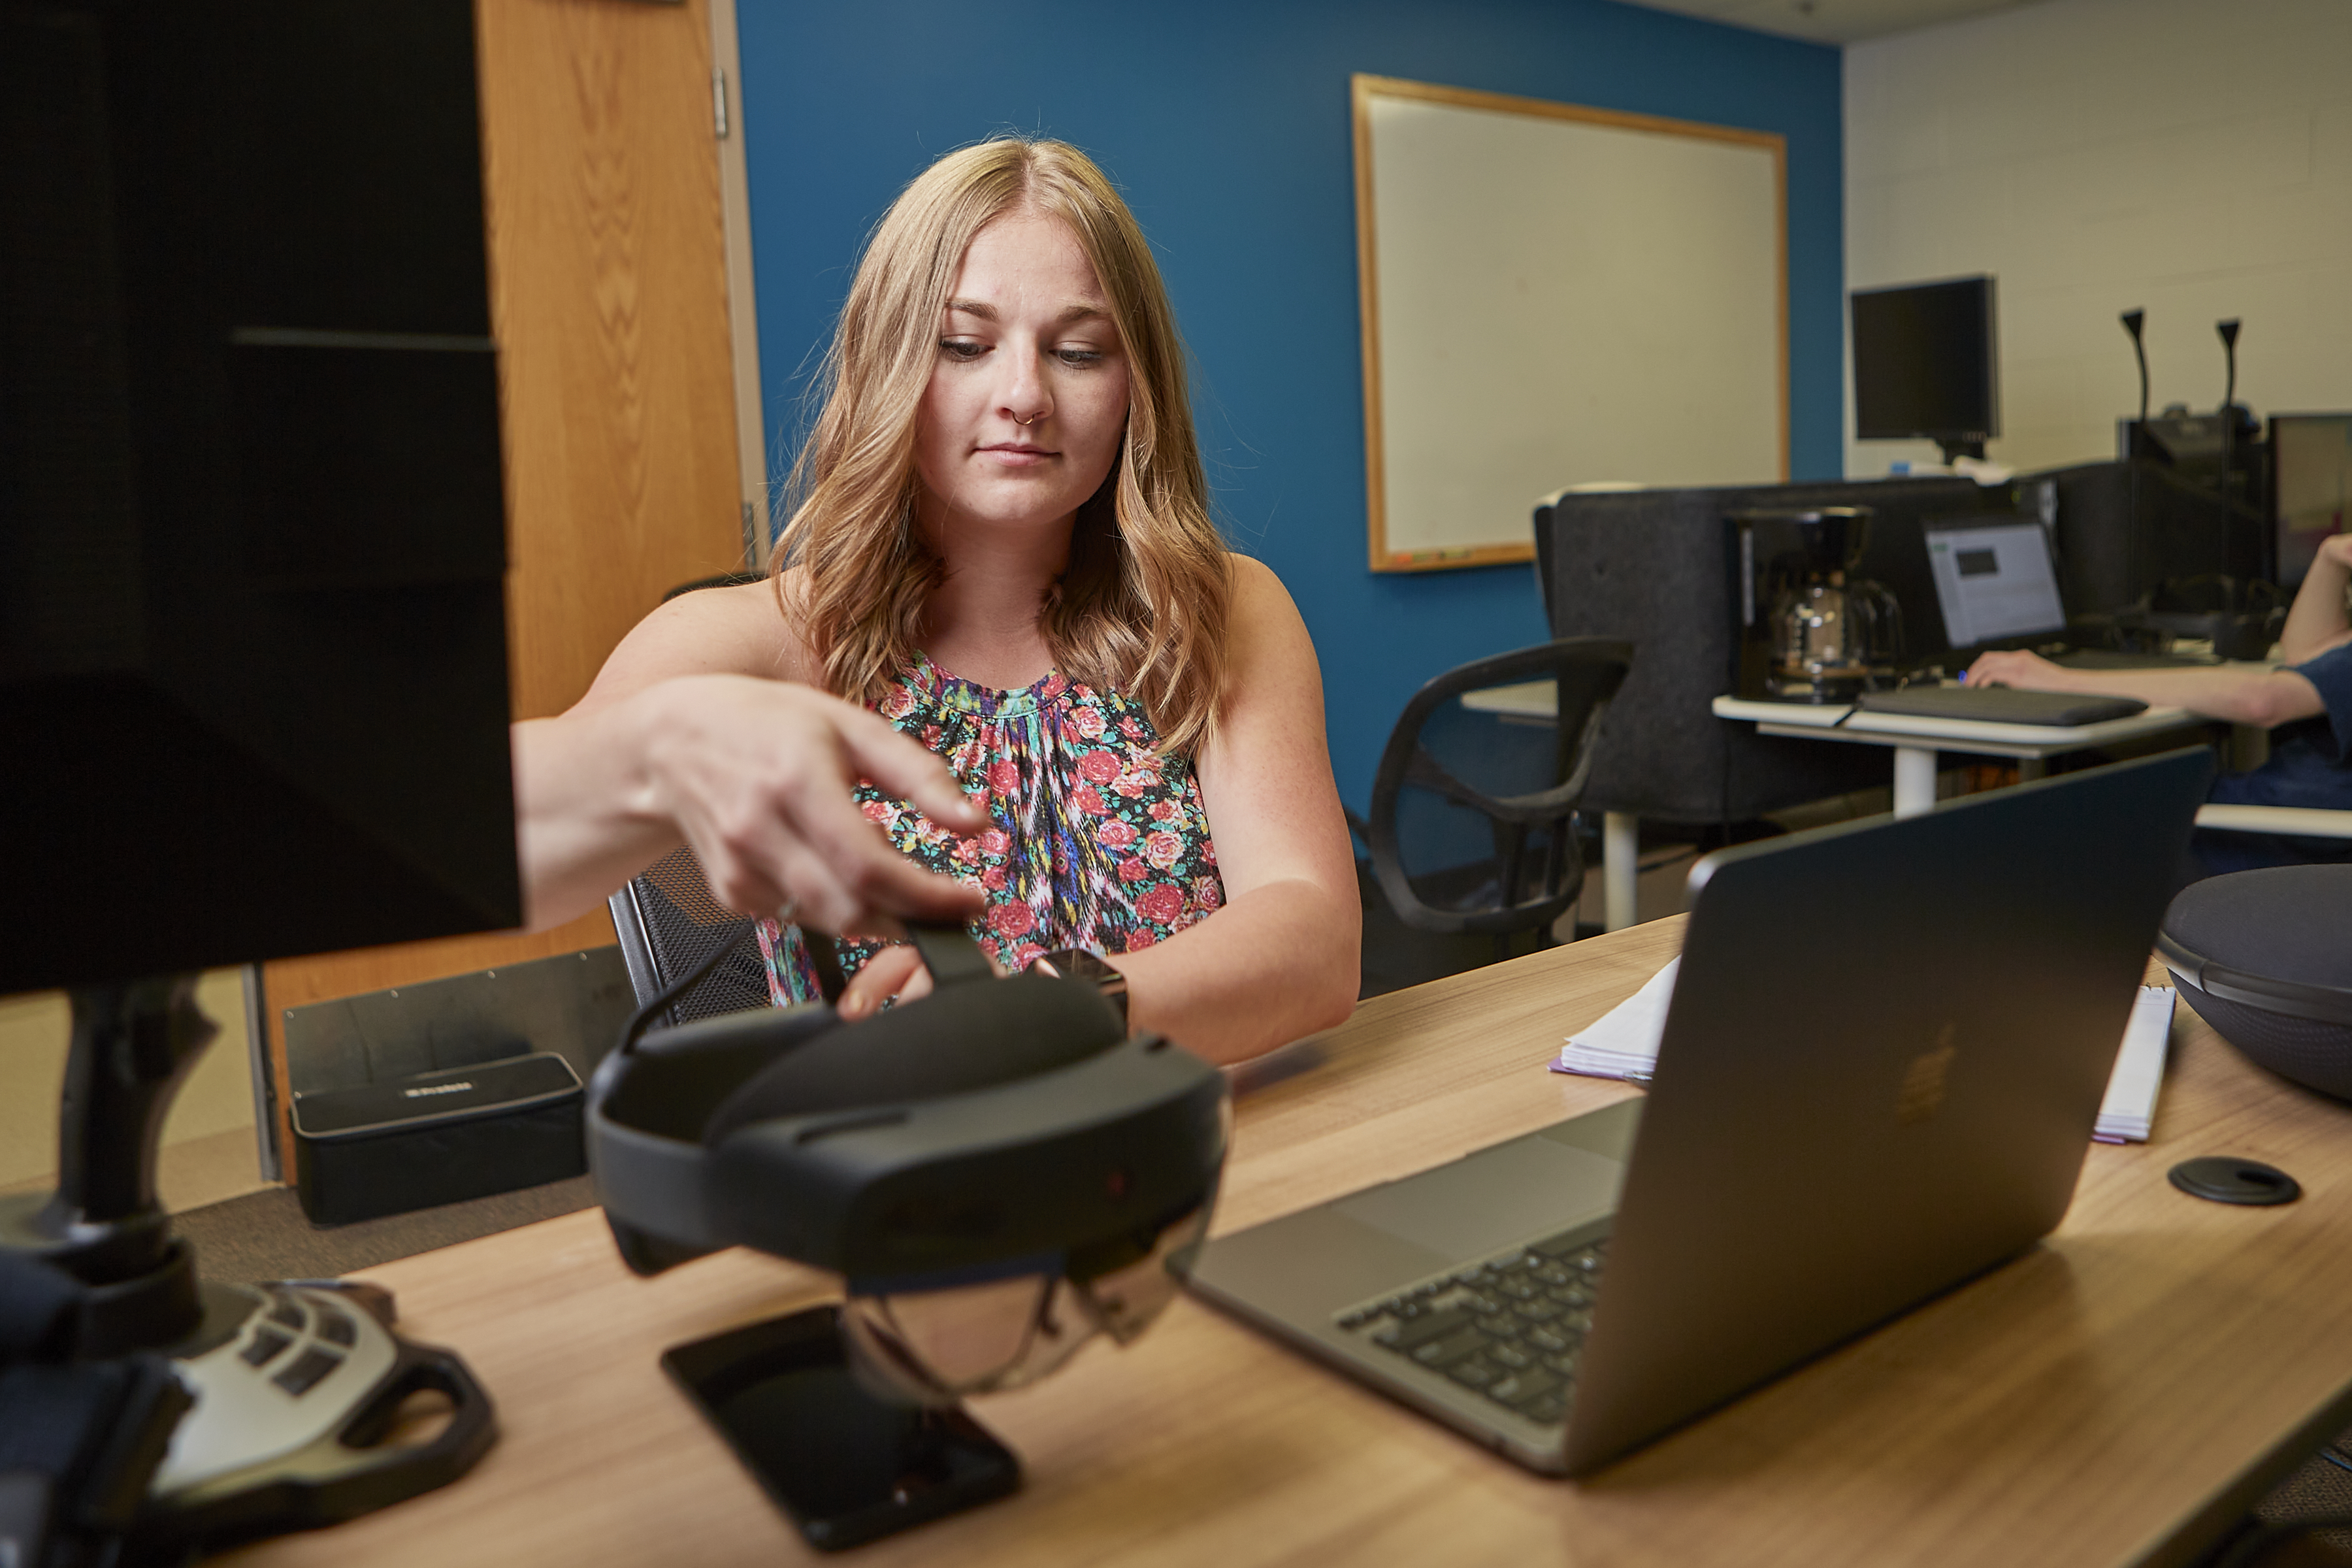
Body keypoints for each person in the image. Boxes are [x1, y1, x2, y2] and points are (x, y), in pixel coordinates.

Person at [506, 137, 1361, 1064]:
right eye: (965, 345)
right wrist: (656, 751)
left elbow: (1314, 939)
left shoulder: (1220, 612)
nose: (1024, 394)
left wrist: (1046, 1013)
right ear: (891, 366)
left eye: (1078, 351)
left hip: (1189, 1153)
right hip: (887, 1180)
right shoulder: (762, 644)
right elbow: (495, 846)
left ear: (1135, 389)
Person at [1966, 533, 2352, 874]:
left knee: (2045, 817)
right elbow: (2305, 657)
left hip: (2266, 853)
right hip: (2284, 835)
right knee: (2083, 781)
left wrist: (2060, 680)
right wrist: (2331, 555)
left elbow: (2262, 701)